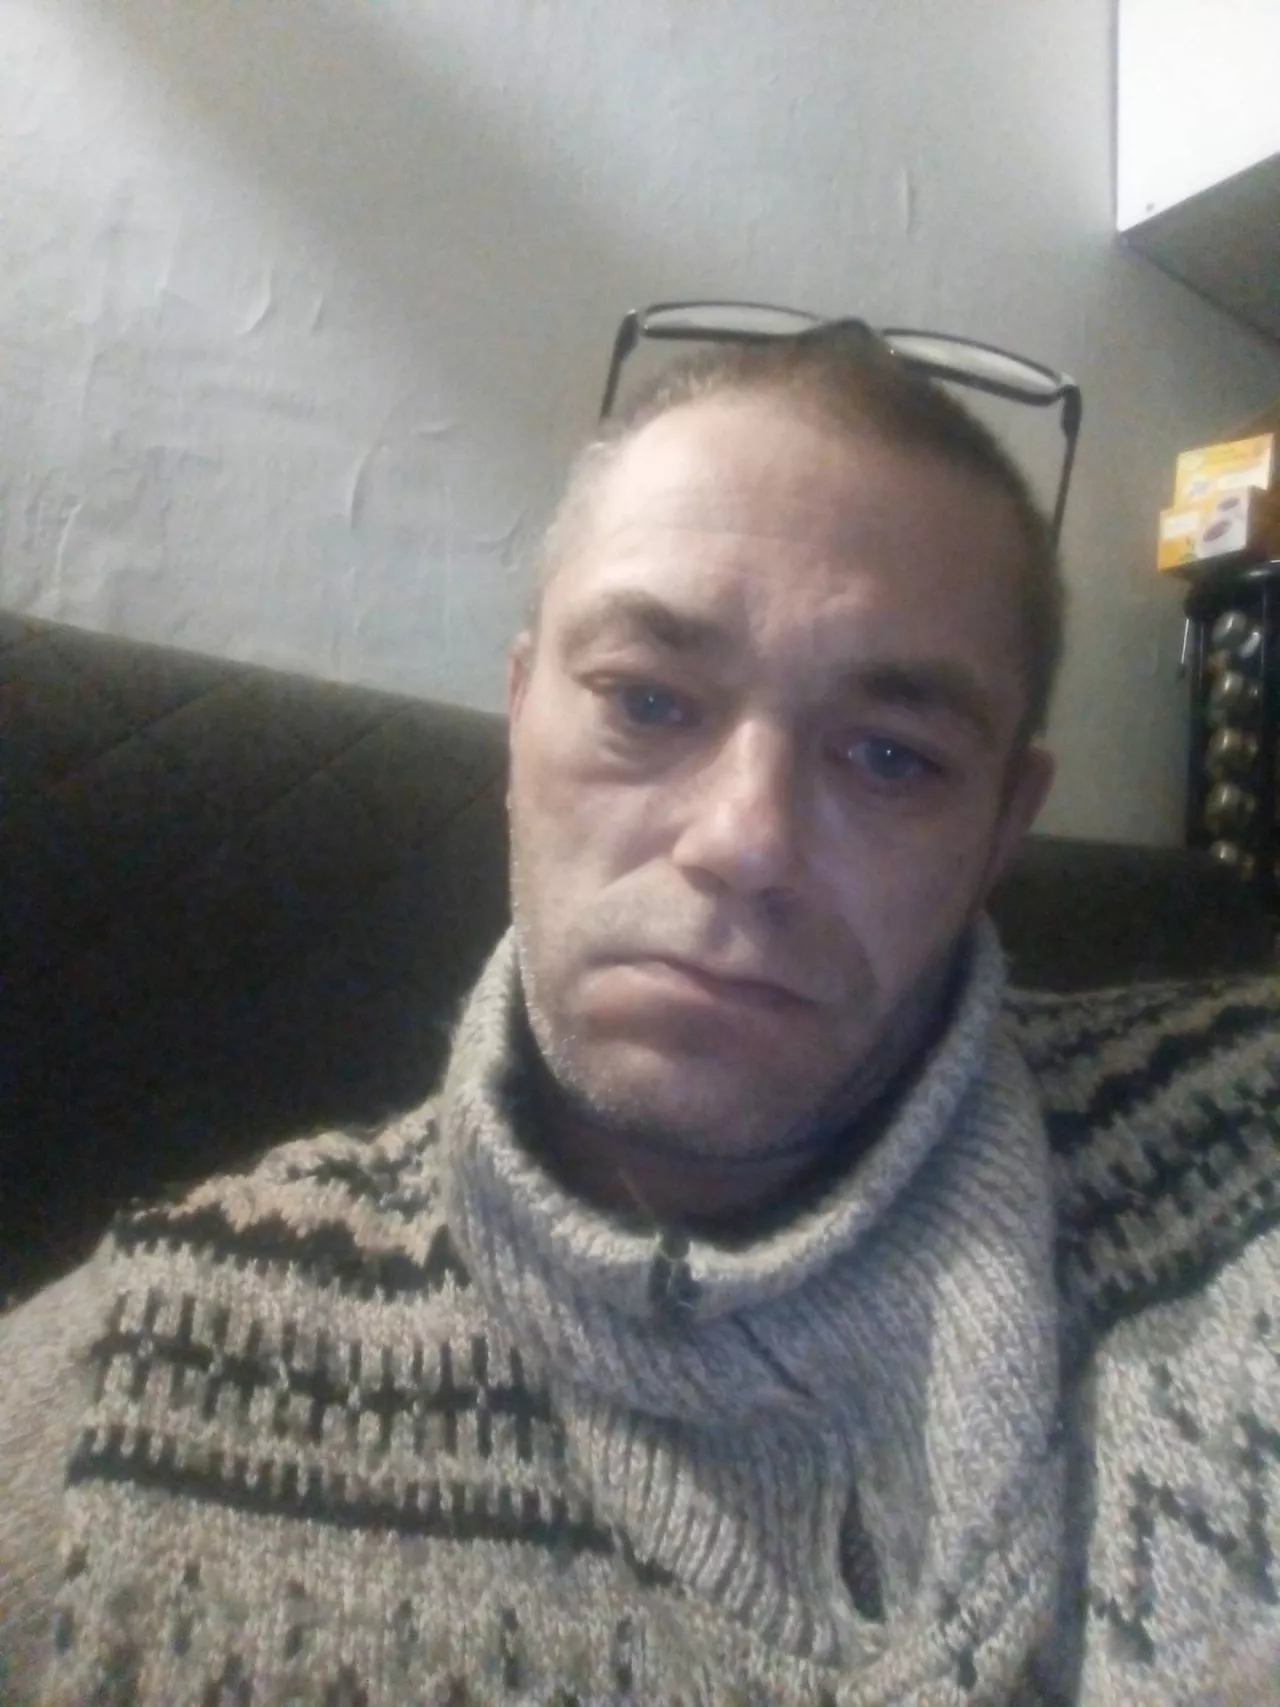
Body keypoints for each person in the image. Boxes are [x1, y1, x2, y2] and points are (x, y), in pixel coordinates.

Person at [1, 321, 1277, 1707]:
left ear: (1002, 828)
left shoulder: (1251, 1147)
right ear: (518, 719)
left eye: (892, 755)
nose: (745, 841)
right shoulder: (131, 1387)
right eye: (650, 701)